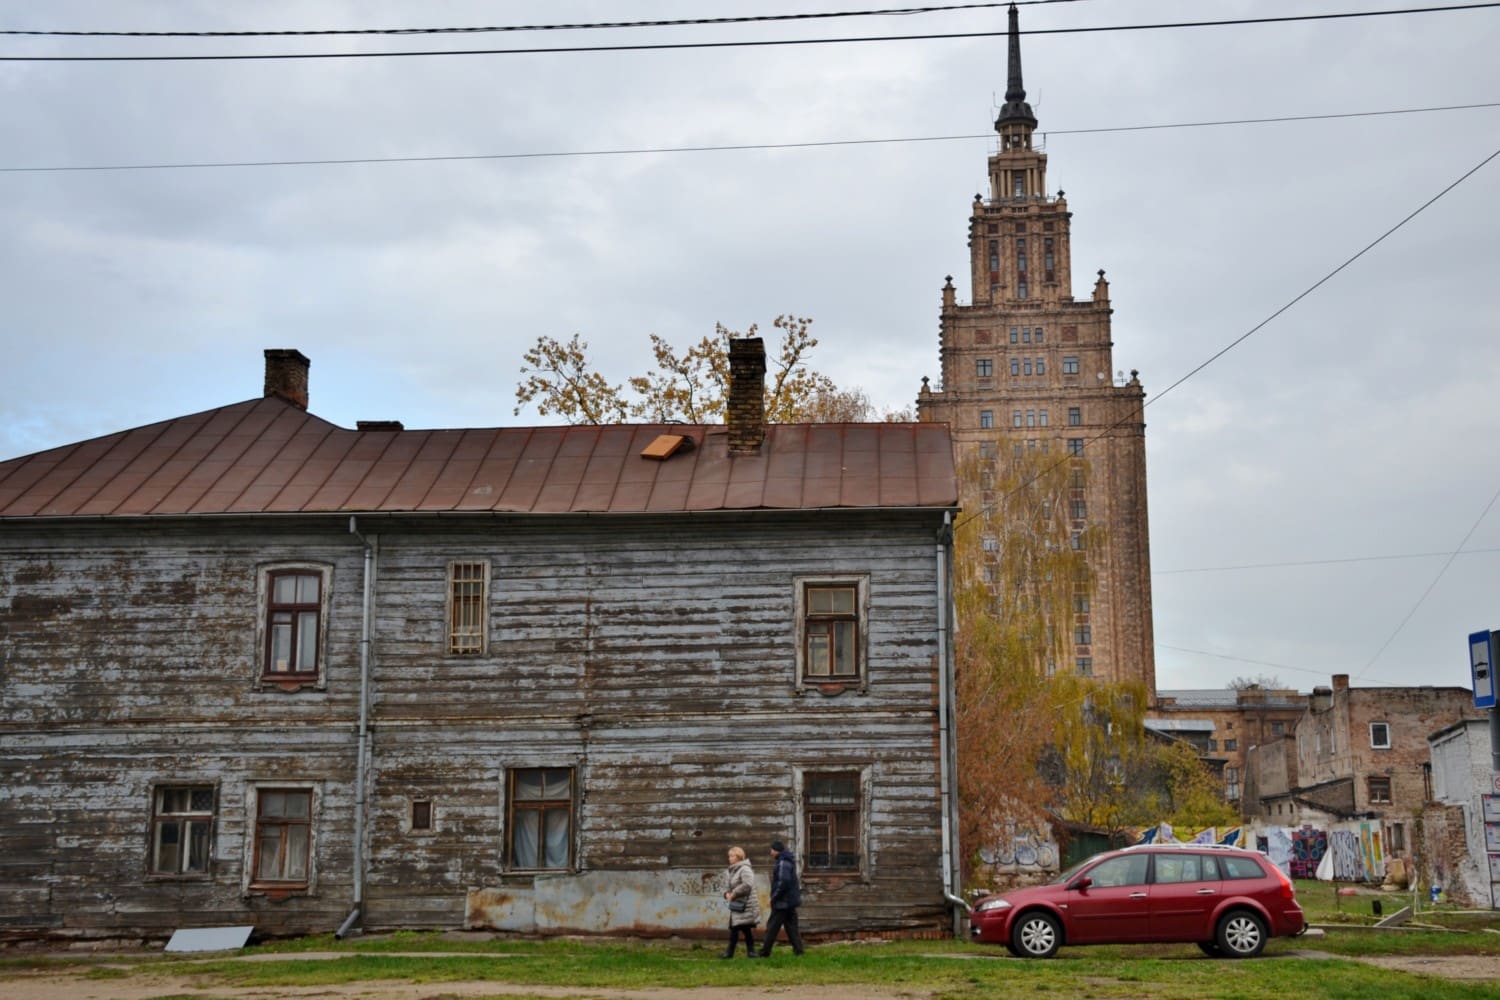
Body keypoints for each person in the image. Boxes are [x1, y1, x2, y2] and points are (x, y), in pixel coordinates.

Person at [757, 839, 804, 956]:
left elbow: (783, 882)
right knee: (792, 927)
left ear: (776, 850)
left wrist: (774, 897)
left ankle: (764, 952)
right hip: (789, 902)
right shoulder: (787, 861)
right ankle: (799, 950)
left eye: (772, 850)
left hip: (783, 902)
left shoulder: (783, 863)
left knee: (772, 927)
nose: (770, 852)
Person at [720, 846, 761, 958]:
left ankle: (730, 953)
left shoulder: (745, 869)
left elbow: (747, 884)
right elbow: (730, 886)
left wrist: (734, 894)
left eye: (732, 856)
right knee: (743, 928)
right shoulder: (733, 870)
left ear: (738, 857)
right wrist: (726, 894)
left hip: (746, 905)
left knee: (736, 928)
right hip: (737, 905)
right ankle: (750, 952)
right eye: (729, 856)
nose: (729, 858)